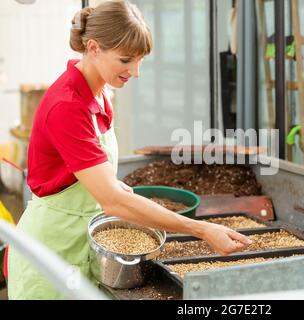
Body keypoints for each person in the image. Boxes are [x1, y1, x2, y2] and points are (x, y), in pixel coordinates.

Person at [7, 0, 251, 300]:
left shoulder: (100, 94)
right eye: (125, 60)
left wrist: (115, 188)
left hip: (85, 243)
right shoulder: (67, 106)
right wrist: (201, 229)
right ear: (94, 48)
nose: (136, 72)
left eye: (140, 60)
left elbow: (82, 174)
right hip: (51, 253)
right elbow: (111, 201)